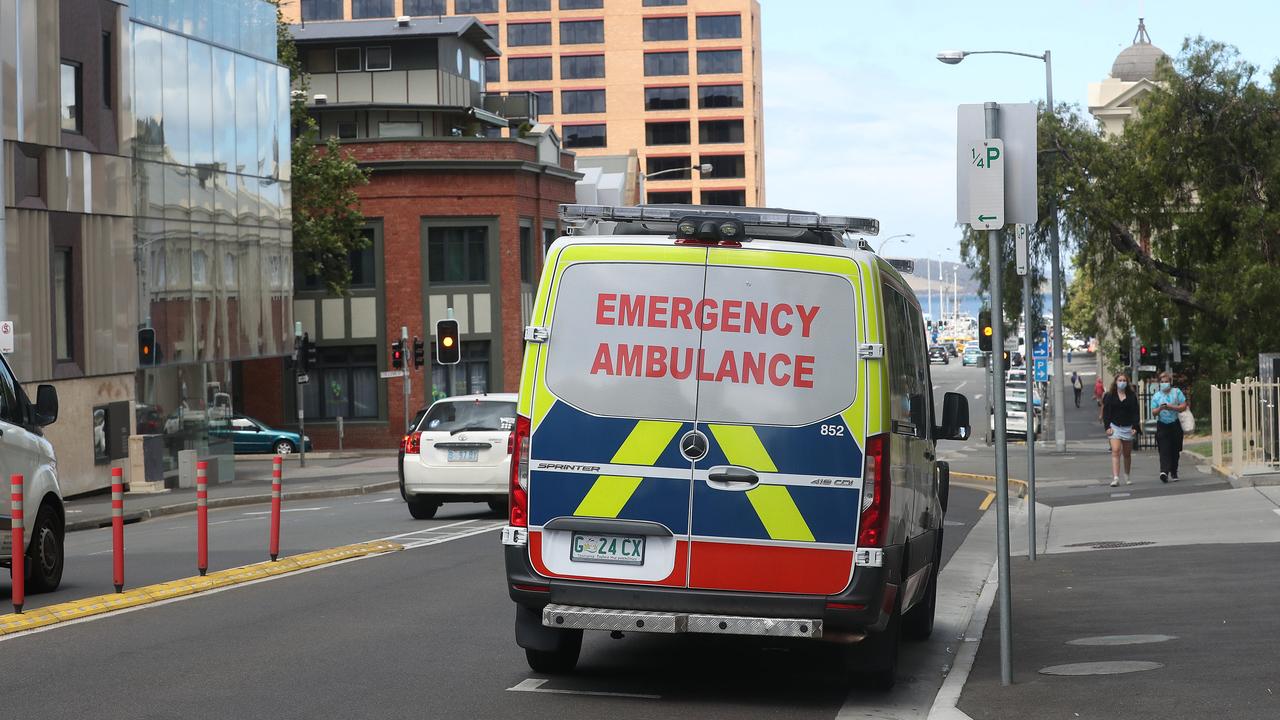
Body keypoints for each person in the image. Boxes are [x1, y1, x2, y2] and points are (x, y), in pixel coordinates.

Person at [1101, 373, 1140, 486]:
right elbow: (1106, 413)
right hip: (1115, 426)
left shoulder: (1131, 396)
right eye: (1120, 380)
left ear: (1127, 383)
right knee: (1116, 450)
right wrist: (1107, 427)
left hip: (1127, 427)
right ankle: (1116, 477)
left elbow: (1135, 413)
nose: (1122, 382)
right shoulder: (1110, 396)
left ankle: (1127, 475)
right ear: (1116, 382)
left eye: (1124, 380)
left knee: (1127, 453)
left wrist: (1135, 427)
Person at [1150, 371, 1189, 483]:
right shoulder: (1156, 396)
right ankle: (1164, 472)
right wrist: (1160, 409)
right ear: (1159, 383)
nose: (1164, 384)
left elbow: (1183, 406)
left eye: (1166, 381)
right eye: (1162, 382)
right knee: (1164, 449)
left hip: (1175, 424)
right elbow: (1154, 412)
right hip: (1162, 425)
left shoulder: (1176, 392)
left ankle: (1174, 470)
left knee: (1175, 449)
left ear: (1170, 382)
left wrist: (1172, 407)